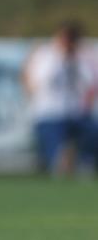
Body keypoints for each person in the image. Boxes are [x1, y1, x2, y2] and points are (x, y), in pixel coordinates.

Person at [21, 21, 97, 176]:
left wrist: (75, 60)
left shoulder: (82, 56)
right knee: (54, 156)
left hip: (77, 112)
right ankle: (59, 162)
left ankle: (84, 164)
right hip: (50, 112)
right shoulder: (45, 55)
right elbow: (38, 82)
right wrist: (61, 58)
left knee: (91, 138)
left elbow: (89, 83)